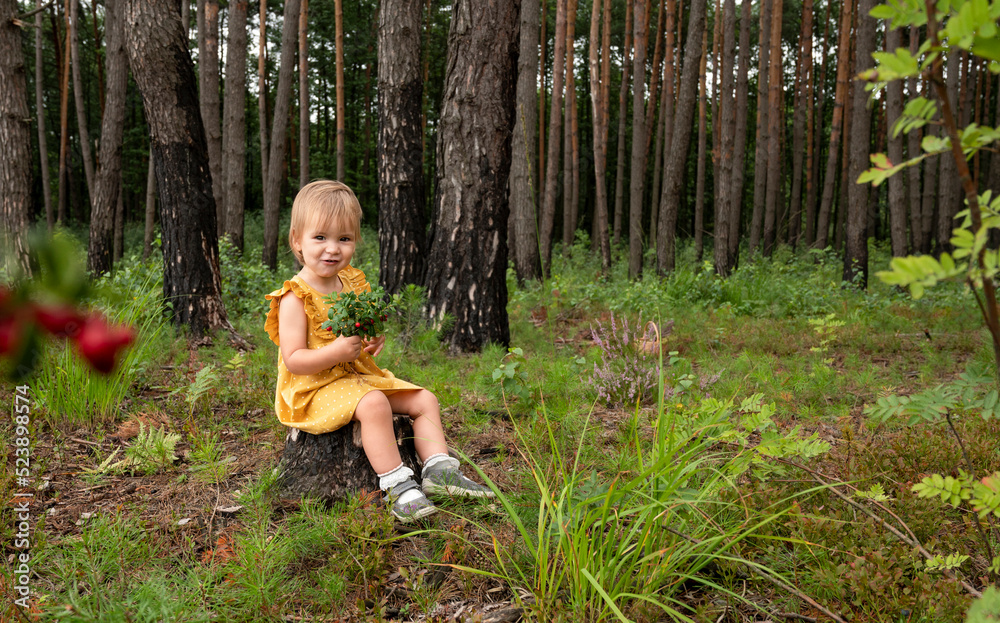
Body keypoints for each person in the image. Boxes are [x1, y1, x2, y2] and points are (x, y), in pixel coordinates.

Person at [264, 180, 493, 522]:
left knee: (424, 399)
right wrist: (338, 352)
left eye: (344, 238)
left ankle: (439, 474)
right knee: (375, 404)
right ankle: (398, 486)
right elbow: (295, 360)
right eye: (320, 237)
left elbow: (363, 333)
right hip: (311, 389)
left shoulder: (352, 283)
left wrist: (369, 343)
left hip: (353, 377)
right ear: (297, 240)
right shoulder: (295, 297)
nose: (332, 249)